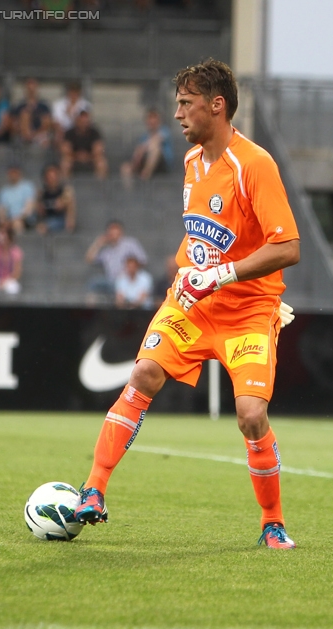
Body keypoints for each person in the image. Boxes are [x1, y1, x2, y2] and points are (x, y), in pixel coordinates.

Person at [74, 59, 300, 550]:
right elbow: (205, 235)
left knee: (249, 414)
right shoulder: (192, 161)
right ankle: (92, 490)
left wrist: (219, 273)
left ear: (216, 106)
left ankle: (272, 522)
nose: (176, 114)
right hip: (192, 303)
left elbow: (288, 248)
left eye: (185, 104)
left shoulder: (254, 164)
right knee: (142, 375)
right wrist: (192, 273)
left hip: (248, 311)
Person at [85, 220, 148, 297]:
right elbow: (89, 259)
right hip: (111, 282)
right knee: (93, 284)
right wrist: (98, 244)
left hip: (126, 281)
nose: (113, 233)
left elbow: (143, 260)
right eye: (111, 231)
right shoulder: (106, 251)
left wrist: (129, 270)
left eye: (115, 230)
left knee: (122, 289)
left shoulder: (130, 243)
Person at [120, 108, 173, 187]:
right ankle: (129, 194)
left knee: (155, 150)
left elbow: (156, 140)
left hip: (162, 164)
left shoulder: (165, 131)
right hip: (144, 161)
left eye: (154, 118)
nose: (152, 121)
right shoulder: (144, 137)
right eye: (150, 118)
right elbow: (138, 151)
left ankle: (144, 181)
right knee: (125, 168)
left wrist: (143, 148)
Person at [60, 109, 108, 179]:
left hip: (91, 158)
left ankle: (101, 186)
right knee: (65, 163)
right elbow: (65, 149)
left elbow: (98, 149)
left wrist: (87, 156)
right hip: (73, 158)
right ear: (77, 121)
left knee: (101, 163)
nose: (84, 123)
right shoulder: (69, 133)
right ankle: (66, 186)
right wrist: (77, 155)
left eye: (86, 121)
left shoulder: (94, 132)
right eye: (81, 121)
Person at [10, 78, 53, 147]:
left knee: (45, 141)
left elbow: (47, 123)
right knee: (25, 114)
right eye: (29, 88)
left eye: (33, 88)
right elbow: (13, 124)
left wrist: (35, 134)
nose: (31, 90)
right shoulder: (20, 106)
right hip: (23, 134)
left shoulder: (43, 106)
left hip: (39, 134)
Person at [36, 164, 76, 235]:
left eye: (54, 177)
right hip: (47, 218)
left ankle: (69, 230)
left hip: (61, 219)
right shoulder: (42, 193)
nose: (52, 179)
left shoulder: (65, 190)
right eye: (49, 177)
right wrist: (40, 208)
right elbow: (39, 210)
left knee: (45, 227)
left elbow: (68, 202)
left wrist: (62, 202)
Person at [0, 164, 36, 233]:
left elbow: (29, 209)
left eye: (15, 172)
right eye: (11, 172)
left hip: (25, 220)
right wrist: (3, 220)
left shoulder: (27, 187)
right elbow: (1, 210)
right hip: (9, 220)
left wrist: (16, 219)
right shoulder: (3, 191)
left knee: (17, 225)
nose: (13, 175)